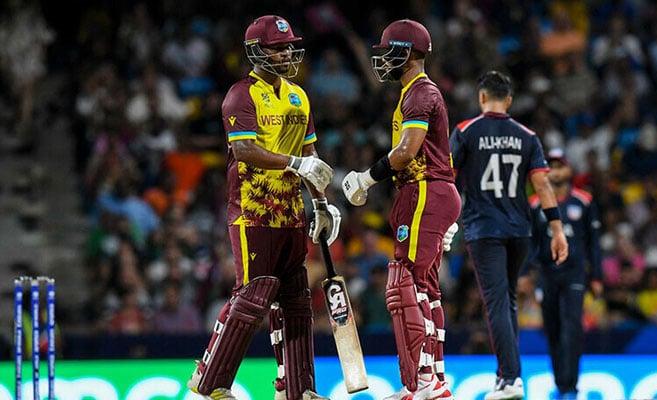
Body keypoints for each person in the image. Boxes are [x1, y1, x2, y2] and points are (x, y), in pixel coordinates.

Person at [187, 15, 340, 400]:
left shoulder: (298, 95)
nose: (288, 52)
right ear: (257, 51)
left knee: (296, 301)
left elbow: (310, 155)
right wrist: (294, 164)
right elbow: (244, 149)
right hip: (252, 210)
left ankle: (299, 388)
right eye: (279, 46)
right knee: (254, 294)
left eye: (290, 46)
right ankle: (210, 381)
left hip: (291, 212)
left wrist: (321, 205)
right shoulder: (241, 94)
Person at [342, 19, 461, 400]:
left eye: (387, 51)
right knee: (425, 286)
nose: (382, 59)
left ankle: (419, 382)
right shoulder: (420, 92)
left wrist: (366, 177)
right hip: (432, 192)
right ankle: (435, 379)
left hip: (423, 191)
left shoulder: (418, 93)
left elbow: (409, 150)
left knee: (404, 281)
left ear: (405, 52)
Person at [449, 70, 568, 400]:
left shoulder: (466, 131)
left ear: (482, 98)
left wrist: (445, 222)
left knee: (497, 302)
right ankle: (507, 375)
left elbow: (447, 179)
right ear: (510, 101)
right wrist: (557, 229)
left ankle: (512, 379)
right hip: (520, 229)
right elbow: (543, 184)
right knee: (509, 301)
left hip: (484, 228)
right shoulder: (526, 135)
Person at [523, 148, 602, 400]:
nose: (555, 171)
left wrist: (597, 277)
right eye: (551, 166)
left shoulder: (584, 201)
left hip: (574, 273)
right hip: (547, 273)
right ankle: (561, 384)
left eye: (560, 166)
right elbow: (529, 242)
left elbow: (594, 243)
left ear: (569, 170)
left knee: (572, 327)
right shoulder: (535, 203)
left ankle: (571, 386)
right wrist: (525, 273)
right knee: (553, 329)